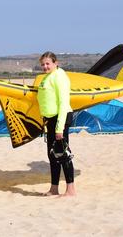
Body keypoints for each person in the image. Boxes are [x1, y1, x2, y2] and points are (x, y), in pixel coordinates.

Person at [37, 51, 76, 197]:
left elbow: (63, 103)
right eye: (43, 64)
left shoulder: (60, 77)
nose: (45, 66)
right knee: (52, 155)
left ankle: (70, 190)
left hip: (61, 118)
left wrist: (59, 128)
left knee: (62, 154)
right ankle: (54, 188)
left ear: (55, 63)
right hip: (50, 120)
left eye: (48, 63)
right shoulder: (48, 77)